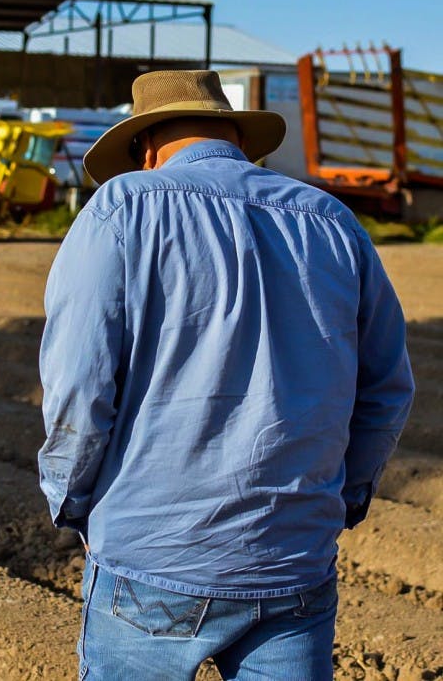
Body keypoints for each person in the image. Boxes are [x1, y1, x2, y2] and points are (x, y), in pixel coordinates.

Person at [38, 70, 414, 680]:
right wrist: (338, 500)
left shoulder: (122, 209)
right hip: (294, 563)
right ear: (235, 137)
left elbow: (79, 386)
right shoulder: (333, 221)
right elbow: (388, 390)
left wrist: (71, 497)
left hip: (153, 554)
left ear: (147, 146)